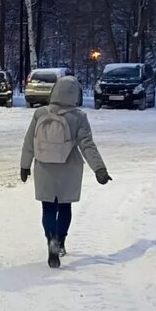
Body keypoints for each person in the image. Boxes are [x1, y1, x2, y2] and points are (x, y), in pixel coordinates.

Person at [19, 76, 111, 268]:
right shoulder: (78, 117)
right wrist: (99, 169)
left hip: (44, 167)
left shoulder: (40, 113)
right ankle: (60, 242)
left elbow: (29, 141)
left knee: (48, 208)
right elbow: (87, 146)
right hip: (69, 167)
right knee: (65, 207)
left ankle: (50, 239)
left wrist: (24, 165)